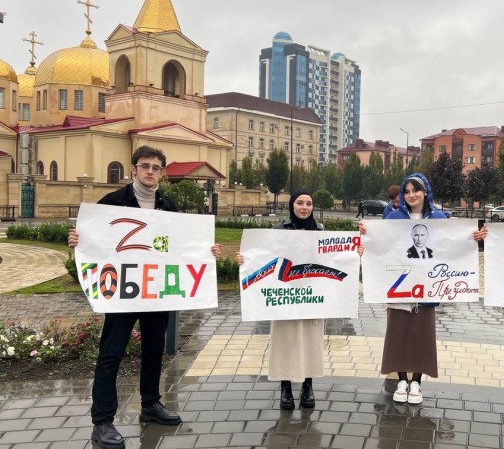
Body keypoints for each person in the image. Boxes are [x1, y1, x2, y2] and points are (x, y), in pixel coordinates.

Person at [68, 146, 222, 449]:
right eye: (145, 166)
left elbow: (179, 244)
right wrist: (76, 239)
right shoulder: (113, 202)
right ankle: (102, 422)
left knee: (154, 349)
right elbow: (92, 237)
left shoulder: (168, 205)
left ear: (162, 172)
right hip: (123, 294)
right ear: (134, 169)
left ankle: (150, 404)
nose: (151, 171)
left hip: (155, 292)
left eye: (156, 167)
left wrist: (206, 250)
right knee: (111, 354)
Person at [359, 173, 487, 405]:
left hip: (427, 289)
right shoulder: (393, 217)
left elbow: (454, 243)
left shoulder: (439, 218)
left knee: (422, 336)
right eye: (407, 191)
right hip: (399, 288)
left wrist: (474, 237)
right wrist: (367, 235)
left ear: (425, 191)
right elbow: (381, 245)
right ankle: (401, 380)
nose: (411, 195)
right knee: (398, 334)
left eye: (416, 190)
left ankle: (416, 381)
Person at [235, 190, 324, 411]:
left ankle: (308, 386)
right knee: (285, 342)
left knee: (310, 342)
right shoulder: (278, 231)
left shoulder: (320, 231)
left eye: (309, 203)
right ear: (292, 205)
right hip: (285, 298)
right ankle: (286, 388)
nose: (304, 207)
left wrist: (354, 253)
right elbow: (262, 257)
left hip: (311, 298)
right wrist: (244, 259)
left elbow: (334, 257)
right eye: (300, 203)